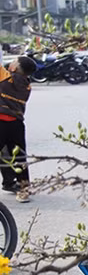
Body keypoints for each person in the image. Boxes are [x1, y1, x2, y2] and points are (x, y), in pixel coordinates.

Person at [0, 56, 38, 202]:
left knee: (5, 155)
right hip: (16, 124)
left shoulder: (6, 78)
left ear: (14, 68)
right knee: (19, 156)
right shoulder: (27, 85)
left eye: (14, 61)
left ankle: (10, 182)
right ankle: (23, 189)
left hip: (1, 123)